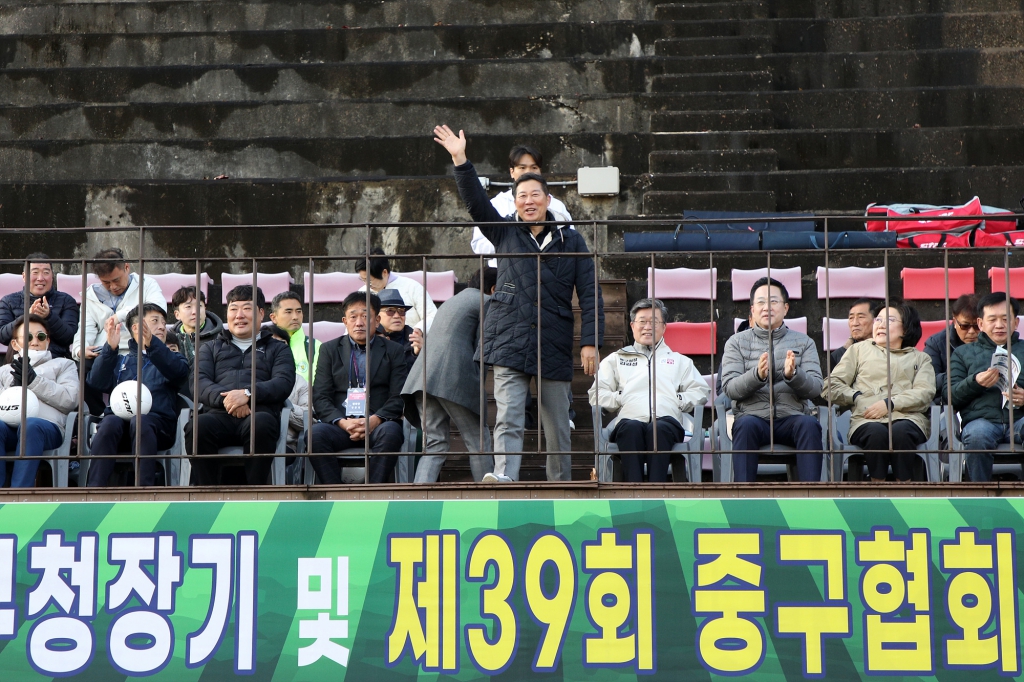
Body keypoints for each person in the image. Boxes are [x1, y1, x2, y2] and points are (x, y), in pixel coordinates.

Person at [434, 124, 604, 483]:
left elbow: (590, 291)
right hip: (508, 336)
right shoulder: (505, 232)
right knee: (509, 413)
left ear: (548, 200)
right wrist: (461, 160)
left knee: (557, 422)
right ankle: (504, 476)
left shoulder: (571, 241)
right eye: (522, 196)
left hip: (553, 339)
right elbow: (476, 205)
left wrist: (590, 341)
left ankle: (559, 482)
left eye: (535, 195)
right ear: (514, 203)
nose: (529, 201)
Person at [589, 298, 710, 482]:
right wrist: (621, 397)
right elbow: (596, 394)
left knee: (658, 428)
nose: (647, 327)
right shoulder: (616, 359)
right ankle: (634, 491)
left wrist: (676, 400)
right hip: (628, 420)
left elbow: (700, 391)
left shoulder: (679, 361)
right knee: (631, 427)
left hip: (667, 421)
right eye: (642, 321)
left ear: (664, 327)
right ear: (632, 326)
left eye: (654, 322)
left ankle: (656, 490)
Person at [186, 285, 295, 485]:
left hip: (259, 414)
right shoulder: (209, 348)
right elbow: (198, 383)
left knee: (260, 425)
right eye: (233, 309)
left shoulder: (278, 348)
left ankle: (255, 491)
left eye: (247, 308)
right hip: (218, 413)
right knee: (197, 428)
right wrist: (231, 399)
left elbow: (283, 382)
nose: (239, 315)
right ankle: (206, 493)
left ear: (261, 313)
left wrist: (248, 394)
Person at [721, 277, 823, 482]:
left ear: (786, 308)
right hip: (753, 417)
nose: (767, 307)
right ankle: (743, 498)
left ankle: (812, 497)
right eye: (760, 302)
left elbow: (816, 387)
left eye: (774, 301)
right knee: (745, 425)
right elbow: (730, 388)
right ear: (752, 309)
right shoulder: (736, 342)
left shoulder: (804, 342)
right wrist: (757, 376)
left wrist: (793, 375)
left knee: (809, 425)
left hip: (791, 417)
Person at [403, 267, 498, 483]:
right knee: (479, 442)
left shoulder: (451, 301)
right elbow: (482, 351)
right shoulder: (487, 302)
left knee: (435, 444)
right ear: (493, 289)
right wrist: (478, 393)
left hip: (422, 378)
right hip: (452, 378)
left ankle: (419, 499)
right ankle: (489, 499)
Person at [824, 300, 934, 482]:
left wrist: (890, 404)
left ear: (905, 329)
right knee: (876, 433)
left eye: (889, 320)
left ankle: (904, 485)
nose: (881, 325)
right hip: (866, 418)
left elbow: (925, 392)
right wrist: (855, 396)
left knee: (901, 432)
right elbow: (830, 385)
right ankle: (877, 485)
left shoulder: (921, 358)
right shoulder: (857, 350)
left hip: (908, 418)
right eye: (878, 320)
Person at [85, 304, 189, 487]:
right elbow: (96, 382)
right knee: (109, 422)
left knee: (140, 421)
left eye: (164, 323)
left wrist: (153, 345)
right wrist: (109, 348)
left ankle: (143, 489)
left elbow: (179, 372)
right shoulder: (121, 360)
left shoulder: (173, 357)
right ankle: (93, 491)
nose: (162, 327)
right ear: (135, 328)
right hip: (119, 427)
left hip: (157, 428)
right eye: (155, 321)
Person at [310, 291, 407, 484]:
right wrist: (342, 422)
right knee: (314, 436)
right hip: (342, 424)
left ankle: (372, 491)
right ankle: (334, 493)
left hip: (378, 423)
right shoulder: (329, 350)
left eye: (365, 316)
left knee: (392, 433)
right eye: (353, 317)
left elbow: (399, 396)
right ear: (345, 321)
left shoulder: (394, 351)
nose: (359, 322)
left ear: (377, 320)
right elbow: (320, 396)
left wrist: (375, 419)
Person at [947, 292, 1024, 483]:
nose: (999, 325)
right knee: (976, 436)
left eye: (1006, 319)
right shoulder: (963, 353)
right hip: (981, 421)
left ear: (1016, 323)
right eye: (993, 319)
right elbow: (949, 396)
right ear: (981, 324)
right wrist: (975, 383)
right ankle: (979, 494)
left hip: (1020, 419)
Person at [0, 315, 78, 487]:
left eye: (40, 336)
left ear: (48, 341)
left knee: (31, 425)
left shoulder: (64, 365)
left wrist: (34, 381)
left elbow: (70, 400)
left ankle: (19, 495)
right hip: (10, 428)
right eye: (28, 337)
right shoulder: (4, 371)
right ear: (14, 344)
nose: (35, 341)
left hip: (46, 428)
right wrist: (14, 388)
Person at [471, 145, 573, 267]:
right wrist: (514, 244)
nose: (528, 172)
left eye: (534, 167)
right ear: (512, 172)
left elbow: (570, 242)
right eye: (522, 167)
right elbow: (478, 245)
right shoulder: (497, 204)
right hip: (504, 275)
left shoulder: (556, 205)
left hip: (548, 274)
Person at [70, 247, 166, 362]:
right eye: (106, 282)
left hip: (138, 350)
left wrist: (119, 316)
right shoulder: (91, 296)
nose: (113, 287)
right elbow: (86, 328)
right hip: (104, 353)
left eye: (116, 280)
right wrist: (79, 350)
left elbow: (157, 309)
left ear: (126, 267)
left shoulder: (147, 284)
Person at [0, 253, 80, 359]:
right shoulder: (8, 301)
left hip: (55, 361)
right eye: (35, 272)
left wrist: (49, 316)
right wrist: (26, 317)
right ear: (24, 276)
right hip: (20, 361)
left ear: (52, 276)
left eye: (46, 273)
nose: (40, 278)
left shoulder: (66, 300)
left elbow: (70, 337)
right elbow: (3, 336)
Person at [356, 248, 437, 331]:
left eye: (370, 280)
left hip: (409, 341)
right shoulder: (362, 293)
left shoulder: (412, 287)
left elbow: (432, 316)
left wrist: (419, 330)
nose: (366, 284)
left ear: (384, 273)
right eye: (363, 279)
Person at [923, 293, 979, 394]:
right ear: (954, 322)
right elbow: (928, 380)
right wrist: (962, 374)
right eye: (965, 326)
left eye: (977, 326)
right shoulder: (936, 343)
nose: (971, 331)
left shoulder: (993, 339)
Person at [267, 324, 310, 453]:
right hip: (250, 442)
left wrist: (282, 406)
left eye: (282, 344)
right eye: (271, 343)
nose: (277, 348)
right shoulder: (248, 377)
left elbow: (309, 421)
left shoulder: (299, 382)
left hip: (285, 445)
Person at [268, 290, 321, 383]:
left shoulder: (316, 346)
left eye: (298, 311)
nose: (295, 317)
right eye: (288, 312)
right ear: (273, 318)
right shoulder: (262, 345)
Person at [170, 286, 223, 367]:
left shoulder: (221, 337)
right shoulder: (169, 339)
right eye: (188, 307)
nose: (195, 312)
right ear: (177, 314)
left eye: (199, 306)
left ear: (205, 309)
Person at [377, 289, 418, 372]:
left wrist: (417, 355)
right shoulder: (368, 339)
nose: (397, 316)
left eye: (401, 311)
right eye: (390, 311)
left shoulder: (416, 340)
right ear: (377, 316)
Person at [831, 298, 877, 367]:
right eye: (851, 318)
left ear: (875, 320)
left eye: (861, 317)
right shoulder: (838, 356)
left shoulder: (887, 350)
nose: (855, 323)